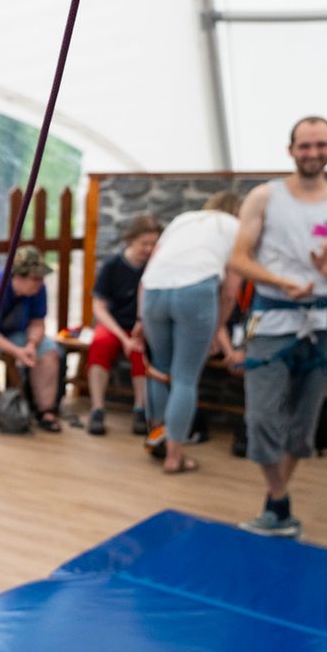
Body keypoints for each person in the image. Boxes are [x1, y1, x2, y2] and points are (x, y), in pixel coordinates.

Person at [229, 116, 327, 538]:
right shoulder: (264, 197)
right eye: (304, 146)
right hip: (273, 318)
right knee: (260, 418)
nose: (312, 153)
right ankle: (278, 497)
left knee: (302, 421)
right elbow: (239, 259)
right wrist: (281, 282)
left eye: (320, 145)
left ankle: (276, 505)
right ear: (290, 150)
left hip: (325, 322)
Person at [137, 192, 243, 474]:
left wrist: (140, 318)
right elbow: (231, 292)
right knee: (185, 377)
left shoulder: (183, 220)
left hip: (154, 292)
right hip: (196, 292)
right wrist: (215, 329)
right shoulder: (236, 228)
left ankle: (156, 438)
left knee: (159, 368)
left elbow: (149, 272)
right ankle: (174, 457)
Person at [86, 214, 162, 436]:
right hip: (114, 325)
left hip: (143, 326)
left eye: (153, 244)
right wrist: (122, 337)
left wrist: (138, 334)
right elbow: (99, 307)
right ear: (131, 240)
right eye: (144, 243)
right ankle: (97, 409)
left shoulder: (156, 266)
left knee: (141, 352)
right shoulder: (113, 266)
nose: (148, 249)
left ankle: (141, 409)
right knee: (99, 345)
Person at [0, 245, 64, 433]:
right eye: (35, 278)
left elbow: (38, 322)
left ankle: (46, 411)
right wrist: (16, 351)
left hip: (18, 333)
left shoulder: (38, 290)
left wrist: (31, 345)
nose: (40, 282)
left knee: (49, 352)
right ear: (17, 275)